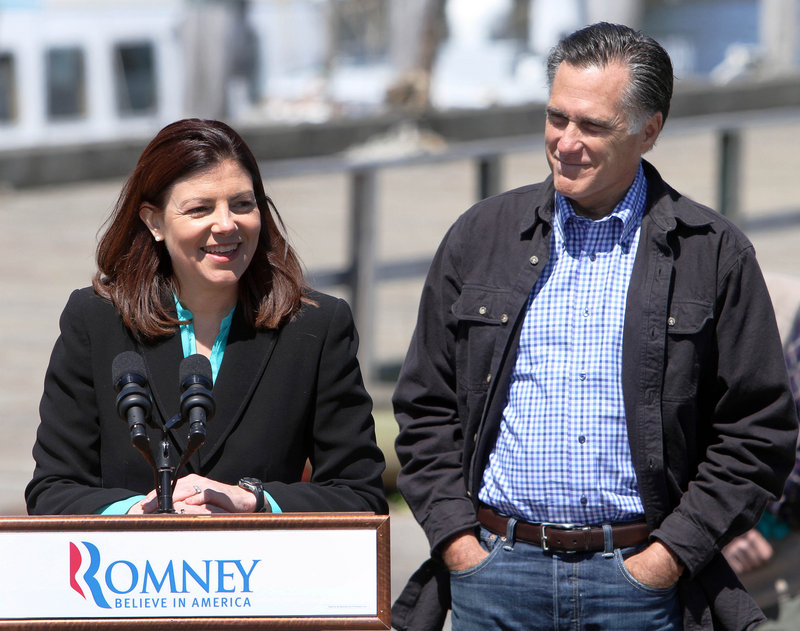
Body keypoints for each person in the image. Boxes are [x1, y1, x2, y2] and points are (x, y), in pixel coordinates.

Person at [392, 22, 798, 631]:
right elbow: (426, 407)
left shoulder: (713, 253)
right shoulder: (480, 237)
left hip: (643, 588)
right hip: (494, 578)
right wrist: (459, 544)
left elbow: (757, 432)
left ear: (649, 130)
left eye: (592, 125)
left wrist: (666, 559)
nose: (566, 142)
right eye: (556, 117)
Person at [26, 118, 387, 517]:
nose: (226, 224)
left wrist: (255, 501)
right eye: (200, 209)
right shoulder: (95, 321)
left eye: (242, 204)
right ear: (154, 221)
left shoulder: (315, 326)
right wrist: (138, 512)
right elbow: (52, 492)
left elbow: (360, 494)